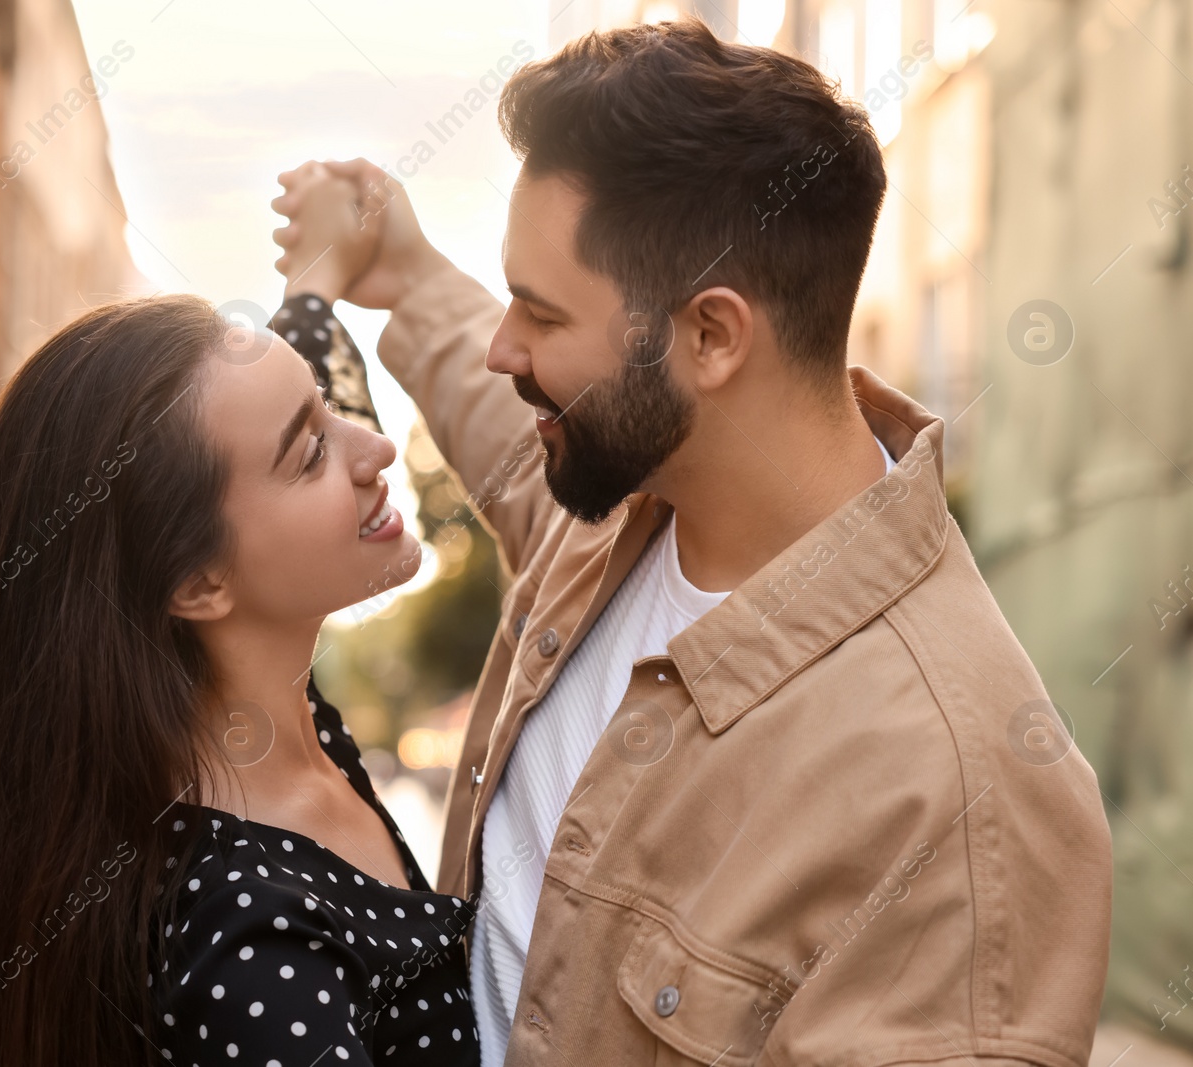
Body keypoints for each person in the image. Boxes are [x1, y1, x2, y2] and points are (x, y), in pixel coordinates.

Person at [273, 18, 1114, 1067]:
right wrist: (399, 266)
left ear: (711, 336)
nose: (502, 346)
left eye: (538, 312)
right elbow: (503, 420)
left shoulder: (960, 792)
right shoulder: (616, 512)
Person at [0, 168, 480, 1067]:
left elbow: (276, 393)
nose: (373, 447)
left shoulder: (268, 732)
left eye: (334, 412)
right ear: (198, 583)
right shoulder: (253, 947)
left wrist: (318, 278)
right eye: (312, 453)